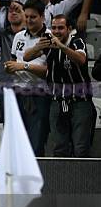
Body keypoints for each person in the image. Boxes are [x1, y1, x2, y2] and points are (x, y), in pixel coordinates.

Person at [24, 15, 95, 157]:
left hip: (80, 102)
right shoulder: (48, 45)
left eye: (61, 28)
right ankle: (62, 179)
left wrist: (61, 46)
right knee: (59, 147)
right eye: (54, 28)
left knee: (80, 148)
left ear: (69, 29)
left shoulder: (77, 42)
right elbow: (27, 57)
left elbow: (81, 59)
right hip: (57, 101)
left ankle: (81, 179)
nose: (56, 31)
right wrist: (39, 46)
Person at [6, 0, 51, 156]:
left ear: (42, 16)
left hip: (39, 94)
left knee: (36, 142)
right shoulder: (18, 36)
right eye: (27, 16)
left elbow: (49, 71)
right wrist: (10, 67)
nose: (29, 20)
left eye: (33, 17)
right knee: (17, 142)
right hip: (18, 92)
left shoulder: (49, 38)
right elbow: (14, 60)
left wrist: (24, 66)